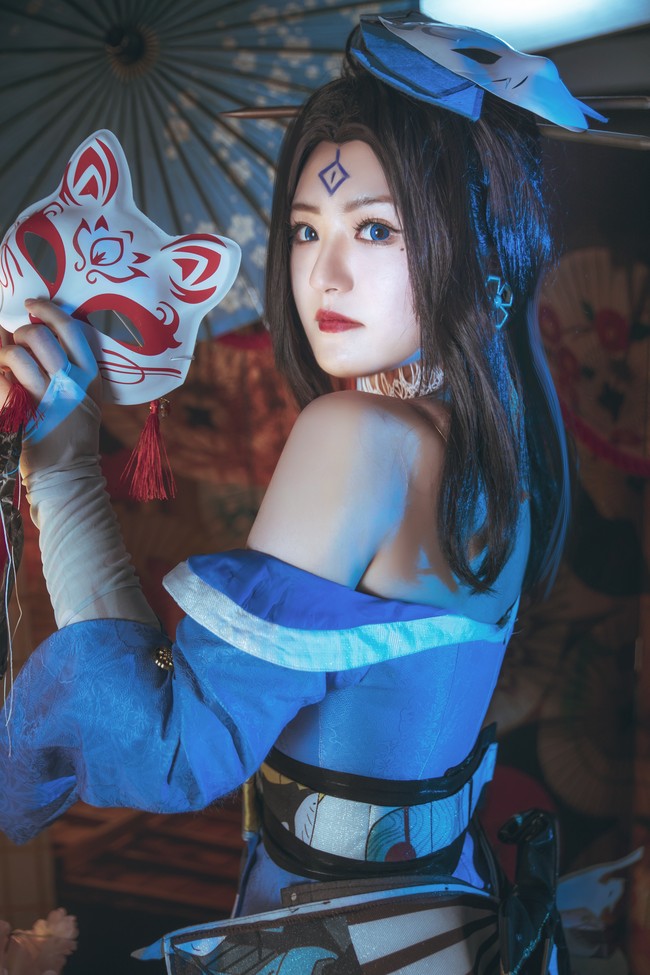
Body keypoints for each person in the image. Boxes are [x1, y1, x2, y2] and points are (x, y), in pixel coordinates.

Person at [0, 13, 579, 973]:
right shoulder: (503, 445)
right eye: (308, 228)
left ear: (482, 252)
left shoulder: (357, 436)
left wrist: (60, 470)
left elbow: (172, 752)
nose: (325, 272)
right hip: (448, 922)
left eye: (375, 228)